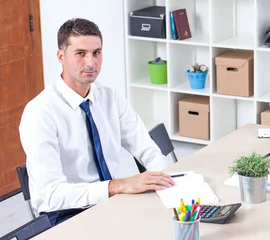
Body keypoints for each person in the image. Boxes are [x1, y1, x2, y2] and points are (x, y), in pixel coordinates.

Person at [19, 18, 175, 226]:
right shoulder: (40, 113)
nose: (91, 62)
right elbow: (51, 194)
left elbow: (148, 150)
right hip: (64, 215)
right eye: (80, 54)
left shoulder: (109, 97)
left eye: (96, 53)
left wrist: (171, 185)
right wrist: (117, 186)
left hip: (108, 202)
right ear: (61, 56)